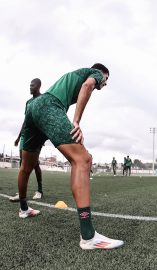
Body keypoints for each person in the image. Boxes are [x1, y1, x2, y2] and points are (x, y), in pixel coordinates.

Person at [16, 64, 123, 249]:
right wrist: (76, 121)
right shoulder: (95, 73)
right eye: (106, 79)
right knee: (83, 159)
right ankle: (89, 237)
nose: (105, 83)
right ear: (102, 73)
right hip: (49, 106)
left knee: (26, 166)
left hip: (34, 109)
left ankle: (24, 209)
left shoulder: (74, 75)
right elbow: (87, 86)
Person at [10, 79, 45, 202]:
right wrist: (19, 136)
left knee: (35, 164)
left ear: (39, 86)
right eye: (29, 85)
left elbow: (43, 119)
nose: (30, 87)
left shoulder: (43, 99)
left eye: (32, 85)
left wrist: (43, 136)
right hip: (25, 135)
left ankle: (40, 190)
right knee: (23, 163)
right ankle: (21, 192)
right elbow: (26, 120)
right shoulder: (28, 102)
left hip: (36, 136)